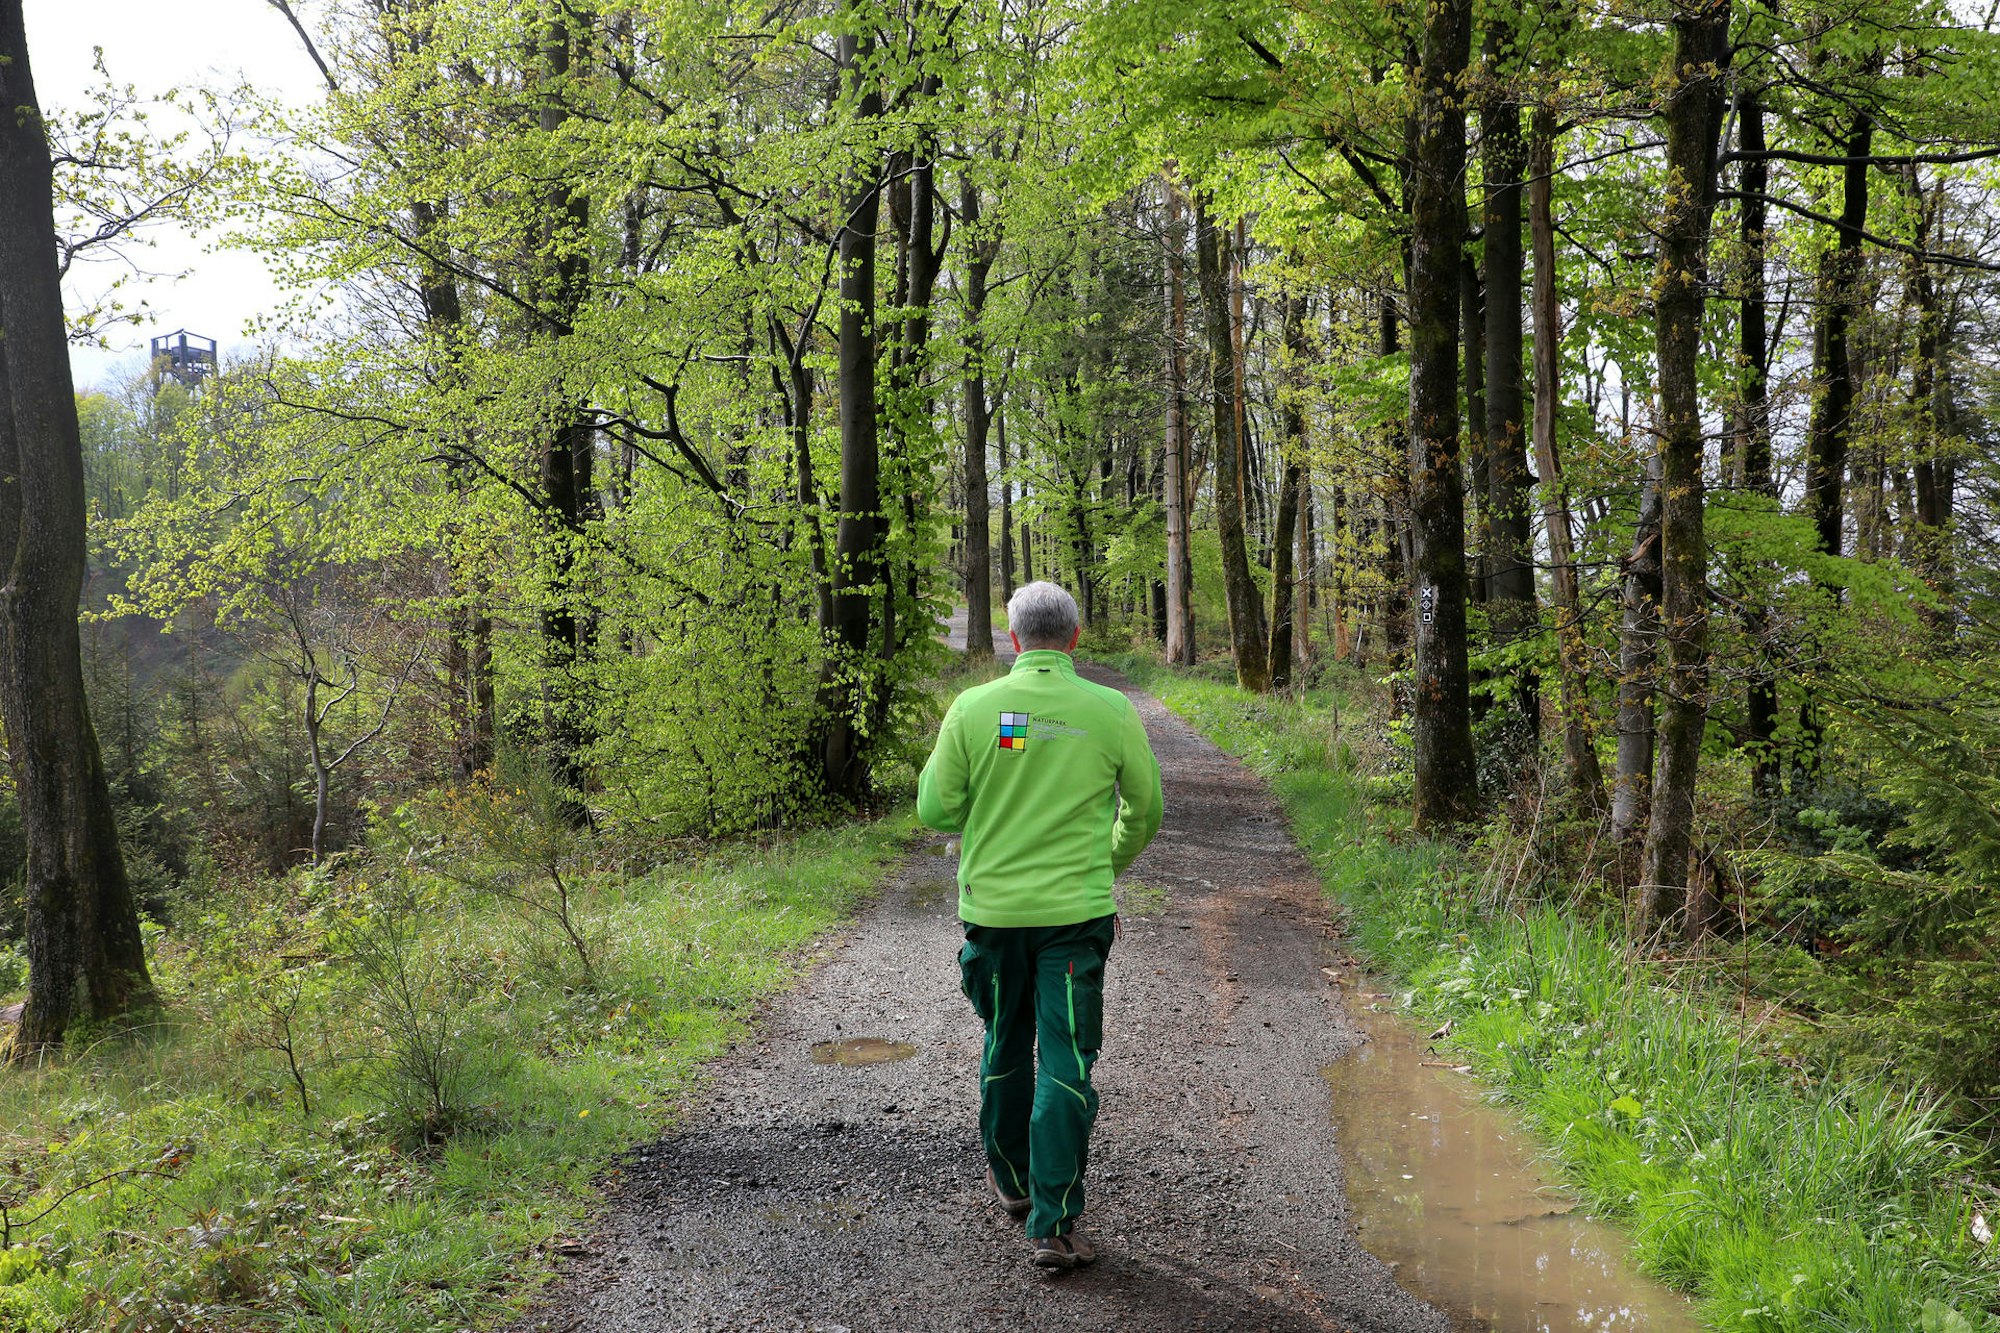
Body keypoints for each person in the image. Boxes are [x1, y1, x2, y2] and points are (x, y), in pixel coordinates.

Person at [917, 581, 1164, 1270]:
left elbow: (936, 809)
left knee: (1005, 1036)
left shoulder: (976, 709)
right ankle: (1054, 1222)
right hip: (1073, 920)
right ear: (1076, 638)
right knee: (1067, 1055)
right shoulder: (1110, 711)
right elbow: (1145, 810)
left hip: (993, 919)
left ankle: (1014, 1180)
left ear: (1013, 637)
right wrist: (1102, 860)